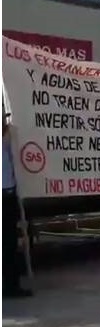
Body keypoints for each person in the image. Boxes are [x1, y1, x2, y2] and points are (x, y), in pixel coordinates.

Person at [3, 114, 32, 298]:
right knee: (6, 244)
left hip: (9, 194)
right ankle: (9, 285)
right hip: (4, 195)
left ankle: (11, 285)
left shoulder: (8, 139)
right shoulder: (6, 139)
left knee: (10, 243)